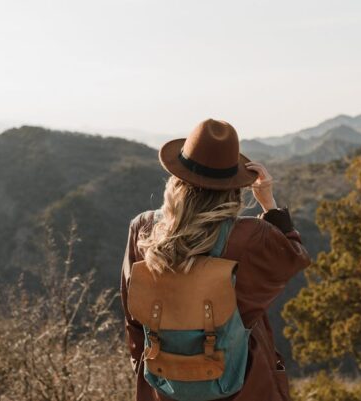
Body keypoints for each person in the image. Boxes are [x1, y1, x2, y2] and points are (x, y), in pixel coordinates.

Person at [120, 118, 312, 401]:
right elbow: (294, 257)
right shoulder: (251, 237)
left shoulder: (144, 229)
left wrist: (148, 374)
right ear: (234, 186)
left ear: (177, 180)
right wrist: (269, 204)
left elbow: (133, 315)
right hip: (241, 385)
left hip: (163, 384)